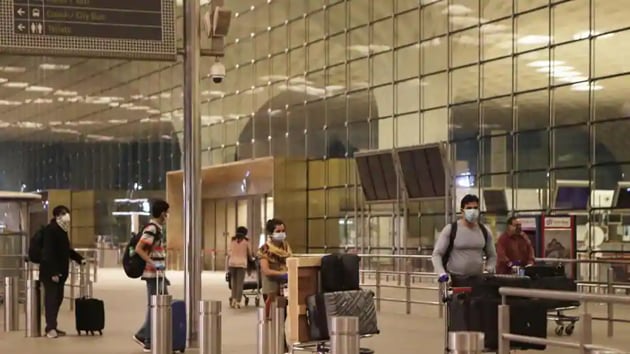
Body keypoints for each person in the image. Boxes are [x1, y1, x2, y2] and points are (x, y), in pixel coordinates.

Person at [432, 194, 497, 286]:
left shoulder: (484, 231)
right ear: (462, 211)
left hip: (478, 280)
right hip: (456, 280)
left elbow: (492, 255)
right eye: (469, 208)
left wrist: (489, 268)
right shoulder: (451, 229)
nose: (472, 211)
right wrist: (441, 273)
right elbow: (437, 254)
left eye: (475, 208)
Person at [40, 205, 85, 338]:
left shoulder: (62, 230)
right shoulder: (51, 230)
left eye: (67, 213)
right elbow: (49, 252)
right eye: (64, 213)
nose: (67, 216)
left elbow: (66, 250)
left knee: (57, 299)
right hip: (51, 273)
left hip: (60, 273)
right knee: (51, 300)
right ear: (57, 216)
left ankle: (53, 326)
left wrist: (79, 259)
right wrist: (53, 272)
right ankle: (50, 329)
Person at [132, 199, 170, 352]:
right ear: (162, 213)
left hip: (158, 274)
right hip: (152, 273)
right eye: (167, 212)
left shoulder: (156, 228)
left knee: (159, 305)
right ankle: (145, 337)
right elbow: (139, 248)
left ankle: (147, 336)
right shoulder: (152, 229)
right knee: (155, 306)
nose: (168, 215)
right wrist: (154, 263)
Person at [258, 218, 292, 317]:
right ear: (270, 233)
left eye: (283, 231)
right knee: (273, 316)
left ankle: (281, 333)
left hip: (284, 286)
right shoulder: (264, 249)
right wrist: (283, 274)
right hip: (271, 287)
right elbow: (266, 271)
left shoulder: (286, 246)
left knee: (283, 315)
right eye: (278, 231)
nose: (281, 233)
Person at [228, 226, 252, 309]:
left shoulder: (233, 240)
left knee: (233, 282)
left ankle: (233, 299)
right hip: (241, 264)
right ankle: (238, 301)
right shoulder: (246, 241)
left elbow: (229, 251)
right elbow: (249, 253)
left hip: (232, 263)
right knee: (240, 283)